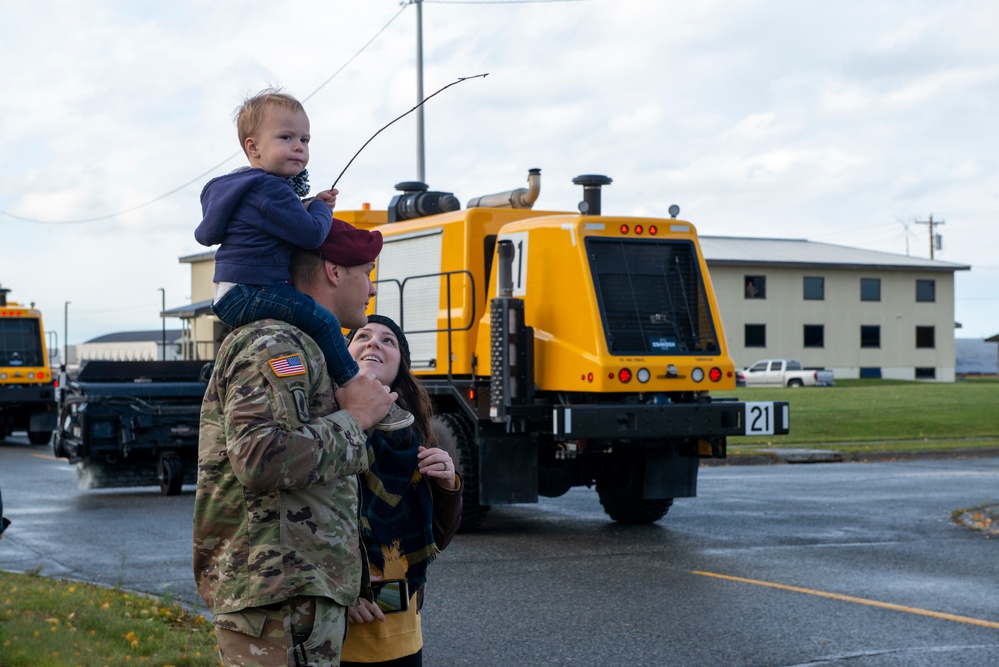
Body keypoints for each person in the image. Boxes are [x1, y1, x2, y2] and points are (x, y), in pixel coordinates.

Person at [193, 219, 395, 667]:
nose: (372, 289)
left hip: (293, 595)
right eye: (367, 272)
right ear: (334, 271)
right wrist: (356, 419)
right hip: (279, 600)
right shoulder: (275, 344)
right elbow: (260, 458)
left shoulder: (305, 344)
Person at [195, 87, 411, 432]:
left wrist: (308, 204)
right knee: (324, 322)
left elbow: (285, 218)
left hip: (236, 290)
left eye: (305, 140)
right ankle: (353, 386)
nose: (299, 147)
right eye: (287, 137)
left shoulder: (252, 190)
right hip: (252, 290)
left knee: (318, 323)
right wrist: (321, 208)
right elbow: (311, 235)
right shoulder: (270, 189)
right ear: (253, 147)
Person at [340, 315, 462, 667]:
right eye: (362, 336)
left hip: (403, 638)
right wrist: (344, 587)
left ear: (400, 368)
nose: (373, 342)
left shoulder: (414, 438)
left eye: (387, 340)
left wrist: (448, 486)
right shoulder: (325, 429)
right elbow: (303, 526)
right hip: (334, 636)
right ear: (344, 356)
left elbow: (438, 537)